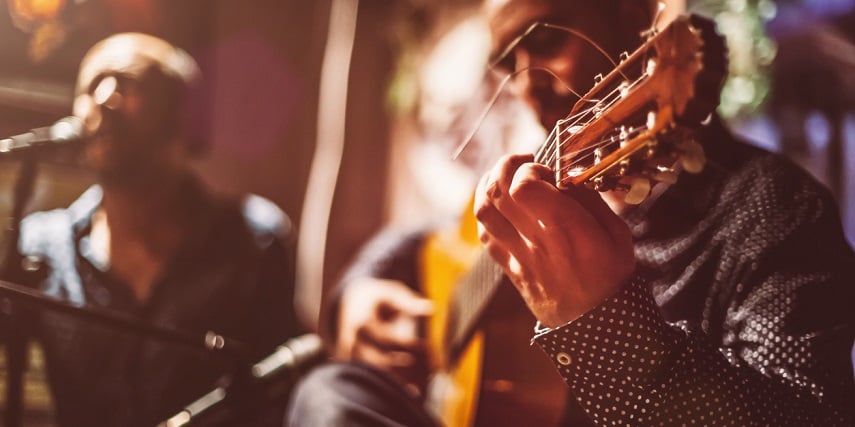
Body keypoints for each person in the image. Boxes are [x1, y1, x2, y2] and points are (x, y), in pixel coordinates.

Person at [287, 0, 855, 426]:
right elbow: (424, 237)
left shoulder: (774, 208)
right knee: (329, 391)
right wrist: (357, 295)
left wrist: (605, 323)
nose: (530, 83)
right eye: (509, 60)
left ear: (636, 18)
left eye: (547, 38)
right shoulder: (541, 184)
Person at [11, 33, 302, 426]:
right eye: (92, 85)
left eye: (128, 83)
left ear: (184, 116)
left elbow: (282, 393)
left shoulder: (253, 239)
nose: (105, 98)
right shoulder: (41, 245)